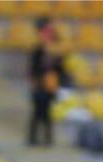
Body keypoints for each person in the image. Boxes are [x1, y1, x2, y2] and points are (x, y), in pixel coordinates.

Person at [27, 17, 64, 147]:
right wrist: (35, 82)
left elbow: (60, 68)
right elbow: (33, 68)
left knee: (48, 113)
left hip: (51, 84)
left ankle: (48, 138)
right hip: (39, 84)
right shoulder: (37, 50)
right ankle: (32, 138)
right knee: (37, 112)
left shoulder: (56, 51)